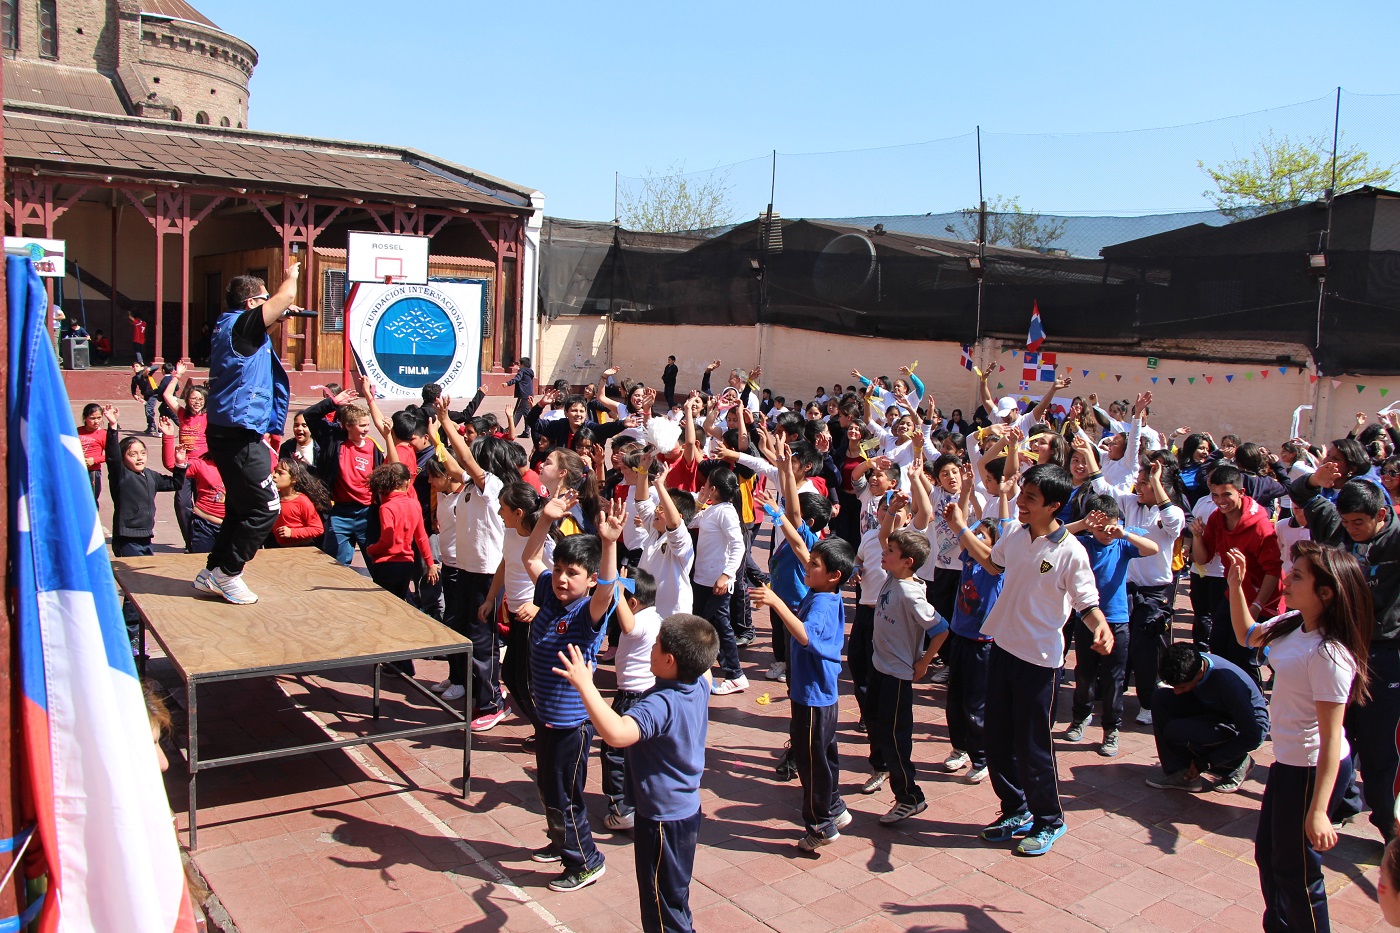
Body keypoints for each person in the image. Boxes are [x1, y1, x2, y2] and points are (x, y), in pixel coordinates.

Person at [946, 463, 1113, 857]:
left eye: (1030, 499)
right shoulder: (1016, 536)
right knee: (998, 739)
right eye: (1022, 494)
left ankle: (1049, 820)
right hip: (1001, 648)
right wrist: (961, 529)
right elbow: (993, 564)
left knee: (1033, 745)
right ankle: (1015, 809)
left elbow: (1087, 601)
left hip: (1038, 662)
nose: (1020, 502)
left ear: (1053, 506)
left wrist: (1100, 625)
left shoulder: (1070, 552)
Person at [1225, 541, 1370, 933]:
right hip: (1288, 762)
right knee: (1269, 857)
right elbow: (1247, 635)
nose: (1287, 580)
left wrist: (1319, 810)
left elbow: (1330, 739)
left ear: (1326, 592)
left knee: (1296, 870)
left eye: (1299, 576)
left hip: (1311, 767)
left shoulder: (1329, 654)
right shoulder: (1292, 624)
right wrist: (1236, 586)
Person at [552, 613, 718, 933]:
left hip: (660, 821)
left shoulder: (659, 703)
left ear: (669, 661)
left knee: (660, 905)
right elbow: (703, 662)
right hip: (684, 813)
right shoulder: (698, 682)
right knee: (673, 895)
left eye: (655, 645)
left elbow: (616, 734)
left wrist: (586, 686)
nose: (650, 649)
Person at [1289, 473, 1400, 841]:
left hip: (1383, 654)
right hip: (1339, 648)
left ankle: (1388, 825)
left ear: (1381, 514)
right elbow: (1302, 493)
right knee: (1333, 733)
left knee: (1379, 745)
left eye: (1360, 523)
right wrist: (1314, 479)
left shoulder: (1397, 542)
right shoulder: (1336, 529)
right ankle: (1336, 805)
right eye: (1347, 521)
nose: (1352, 530)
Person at [520, 490, 618, 892]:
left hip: (570, 723)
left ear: (590, 579)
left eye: (572, 572)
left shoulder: (586, 614)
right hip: (546, 717)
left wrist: (609, 544)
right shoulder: (550, 592)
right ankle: (561, 842)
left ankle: (585, 861)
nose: (561, 577)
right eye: (559, 568)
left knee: (566, 795)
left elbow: (609, 589)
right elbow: (529, 559)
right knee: (548, 787)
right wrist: (545, 519)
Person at [195, 263, 300, 604]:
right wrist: (292, 275)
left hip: (230, 430)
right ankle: (230, 573)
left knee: (241, 508)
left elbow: (257, 338)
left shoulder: (234, 327)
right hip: (239, 435)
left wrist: (277, 315)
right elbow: (286, 294)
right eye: (266, 302)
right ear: (252, 303)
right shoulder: (241, 323)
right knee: (266, 508)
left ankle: (212, 571)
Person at [750, 536, 857, 852]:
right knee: (824, 755)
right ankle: (835, 807)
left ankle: (821, 826)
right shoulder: (823, 593)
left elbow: (806, 636)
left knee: (811, 764)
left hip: (812, 697)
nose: (806, 567)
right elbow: (799, 547)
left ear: (834, 575)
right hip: (819, 695)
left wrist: (776, 602)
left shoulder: (823, 603)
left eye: (814, 565)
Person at [1063, 495, 1160, 758]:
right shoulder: (1083, 543)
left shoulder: (1123, 543)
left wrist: (1124, 533)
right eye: (1100, 527)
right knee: (1084, 674)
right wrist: (1083, 525)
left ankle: (1111, 729)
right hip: (1087, 619)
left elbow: (1153, 548)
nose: (1105, 533)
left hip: (1117, 621)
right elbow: (1055, 535)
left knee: (1114, 679)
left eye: (1110, 526)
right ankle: (1080, 718)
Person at [866, 526, 950, 824]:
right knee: (874, 723)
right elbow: (882, 537)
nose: (884, 554)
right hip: (880, 666)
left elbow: (940, 630)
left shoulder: (910, 593)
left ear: (907, 562)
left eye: (890, 552)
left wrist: (924, 662)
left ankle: (910, 797)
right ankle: (881, 767)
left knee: (894, 738)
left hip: (897, 676)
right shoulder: (893, 576)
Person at [1191, 465, 1284, 680]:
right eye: (1215, 495)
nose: (1220, 500)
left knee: (1244, 655)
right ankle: (1228, 701)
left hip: (1262, 601)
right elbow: (1203, 559)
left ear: (1241, 493)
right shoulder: (1217, 517)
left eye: (1226, 495)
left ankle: (1253, 707)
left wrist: (1257, 606)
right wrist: (1197, 536)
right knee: (1218, 645)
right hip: (1234, 593)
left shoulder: (1260, 526)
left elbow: (1274, 571)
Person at [1145, 643, 1268, 793]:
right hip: (1213, 709)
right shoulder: (1192, 666)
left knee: (1177, 731)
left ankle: (1236, 764)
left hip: (1246, 725)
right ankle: (1179, 772)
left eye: (1182, 687)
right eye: (1173, 686)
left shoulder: (1228, 684)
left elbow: (1252, 735)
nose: (1177, 692)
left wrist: (1207, 761)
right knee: (1160, 698)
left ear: (1199, 674)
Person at [597, 569, 662, 832]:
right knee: (640, 756)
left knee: (614, 754)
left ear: (632, 603)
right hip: (646, 697)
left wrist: (618, 594)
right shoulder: (654, 616)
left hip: (632, 701)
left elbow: (627, 625)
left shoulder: (642, 621)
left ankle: (622, 809)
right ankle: (643, 802)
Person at [690, 464, 747, 694]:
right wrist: (699, 501)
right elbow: (690, 522)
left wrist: (726, 575)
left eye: (706, 485)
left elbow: (738, 545)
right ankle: (701, 667)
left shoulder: (725, 512)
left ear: (714, 488)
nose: (703, 488)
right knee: (708, 623)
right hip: (703, 578)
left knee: (720, 626)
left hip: (717, 582)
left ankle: (735, 673)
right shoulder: (712, 509)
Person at [269, 458, 329, 547]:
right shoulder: (272, 498)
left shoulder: (302, 501)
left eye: (280, 473)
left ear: (294, 479)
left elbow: (317, 529)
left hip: (301, 549)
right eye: (275, 471)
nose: (274, 475)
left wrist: (292, 532)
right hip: (278, 549)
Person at [78, 403, 107, 502]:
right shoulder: (77, 431)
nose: (96, 421)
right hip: (77, 470)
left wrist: (94, 460)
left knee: (91, 501)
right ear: (85, 418)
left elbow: (112, 455)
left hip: (93, 472)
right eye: (92, 418)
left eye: (99, 418)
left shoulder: (103, 434)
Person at [506, 357, 536, 430]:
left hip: (523, 395)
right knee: (526, 414)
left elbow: (517, 378)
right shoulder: (530, 372)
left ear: (523, 364)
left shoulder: (522, 370)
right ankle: (527, 431)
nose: (519, 366)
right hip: (529, 395)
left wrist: (508, 383)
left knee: (516, 413)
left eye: (520, 364)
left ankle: (509, 429)